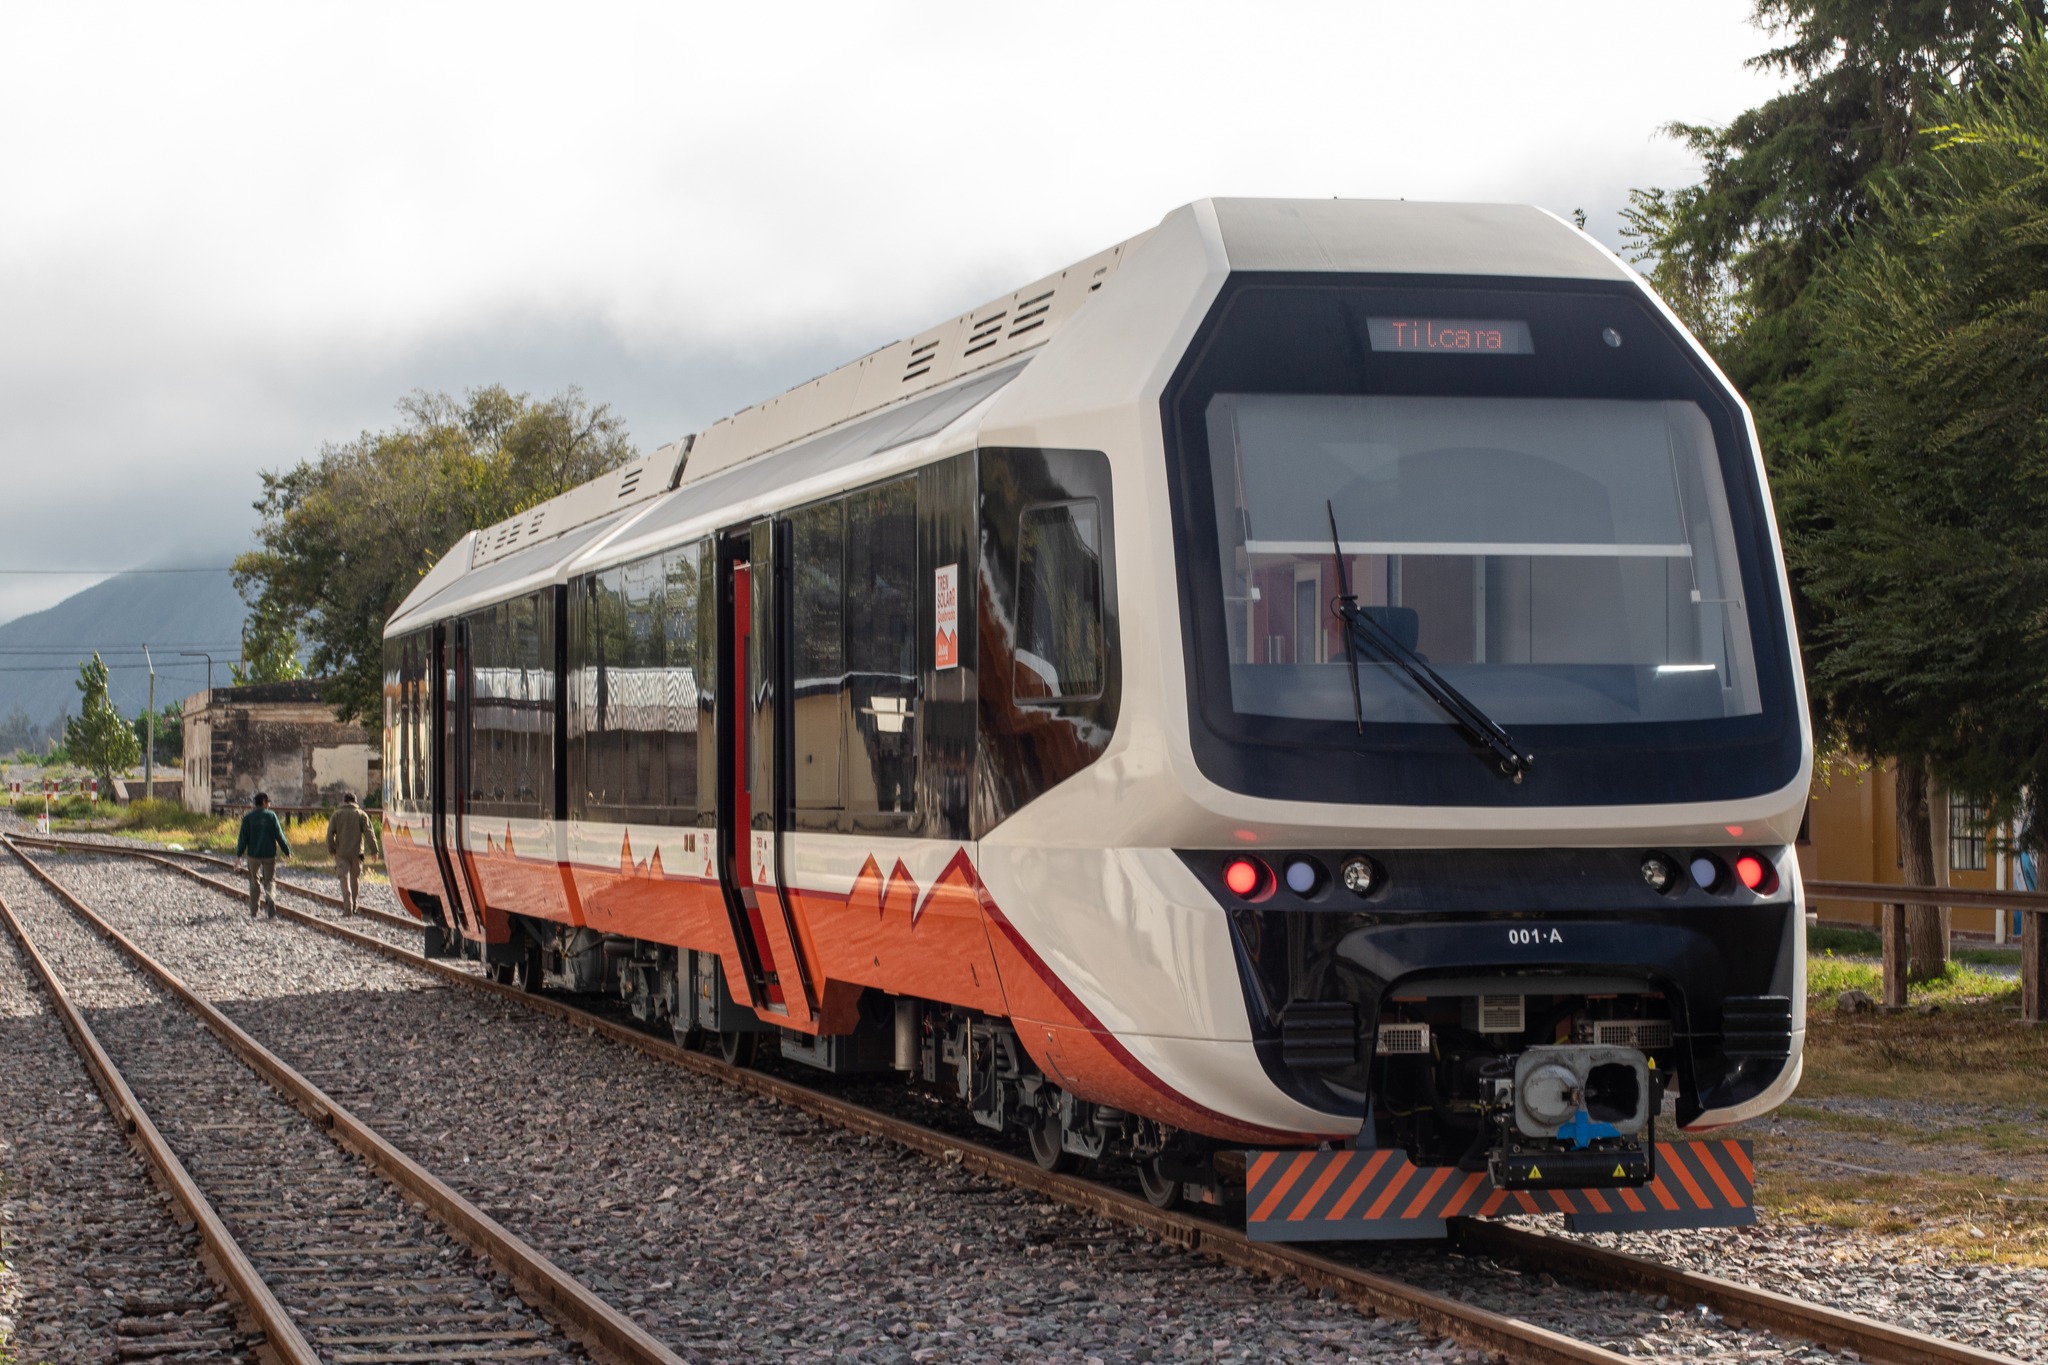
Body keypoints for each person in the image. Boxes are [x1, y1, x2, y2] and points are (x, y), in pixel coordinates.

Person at [233, 792, 291, 919]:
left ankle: (254, 911)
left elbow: (243, 839)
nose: (269, 803)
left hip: (253, 855)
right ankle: (270, 898)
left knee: (254, 881)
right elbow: (279, 836)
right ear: (264, 801)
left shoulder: (248, 818)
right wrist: (287, 851)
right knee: (269, 880)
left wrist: (239, 855)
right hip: (269, 854)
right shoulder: (271, 816)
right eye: (268, 801)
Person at [325, 791, 378, 915]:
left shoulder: (336, 815)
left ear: (344, 801)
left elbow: (329, 834)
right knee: (355, 879)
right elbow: (369, 833)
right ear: (355, 802)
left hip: (341, 853)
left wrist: (332, 850)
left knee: (344, 879)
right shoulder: (361, 815)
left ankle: (347, 907)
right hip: (357, 853)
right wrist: (374, 850)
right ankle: (355, 904)